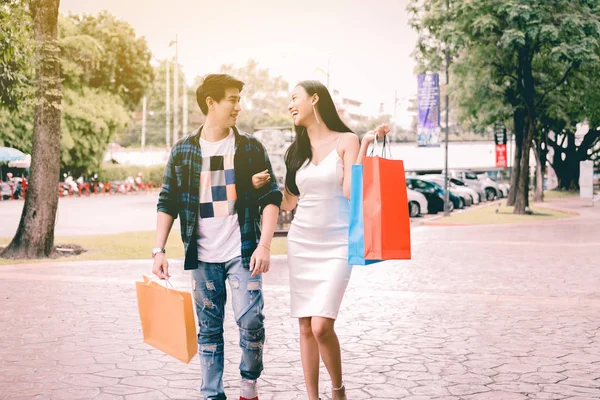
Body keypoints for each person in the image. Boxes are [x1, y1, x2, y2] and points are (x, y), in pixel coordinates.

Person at [253, 80, 390, 400]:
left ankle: (338, 390)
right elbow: (288, 202)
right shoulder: (295, 152)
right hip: (302, 242)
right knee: (304, 326)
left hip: (337, 244)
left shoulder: (347, 140)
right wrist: (264, 184)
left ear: (315, 99)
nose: (290, 105)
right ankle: (313, 397)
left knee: (321, 326)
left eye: (294, 98)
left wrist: (366, 144)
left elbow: (348, 192)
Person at [152, 73, 282, 400]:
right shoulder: (183, 151)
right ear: (211, 102)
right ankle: (212, 394)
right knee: (208, 331)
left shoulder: (250, 147)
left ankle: (249, 382)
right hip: (201, 257)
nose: (239, 106)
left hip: (244, 250)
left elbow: (271, 198)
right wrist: (159, 249)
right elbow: (167, 200)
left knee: (250, 320)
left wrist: (265, 244)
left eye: (239, 99)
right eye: (232, 99)